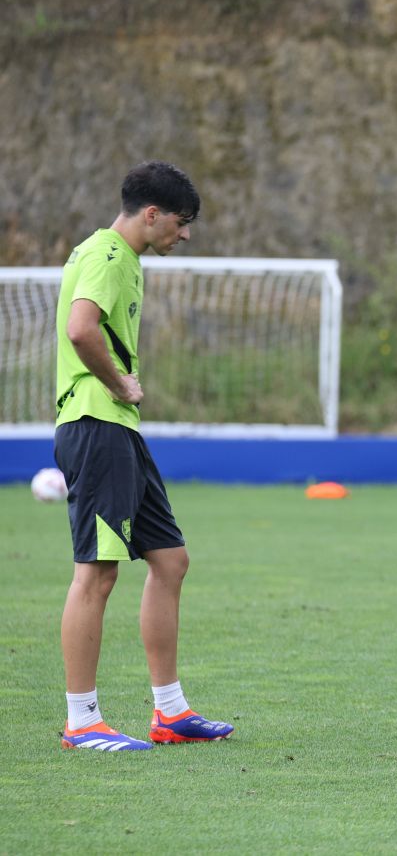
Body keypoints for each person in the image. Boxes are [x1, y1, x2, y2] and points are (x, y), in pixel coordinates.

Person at [54, 161, 234, 751]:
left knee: (171, 561)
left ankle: (171, 713)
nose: (184, 236)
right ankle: (82, 721)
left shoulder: (117, 257)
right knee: (98, 573)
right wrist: (119, 382)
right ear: (151, 214)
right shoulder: (108, 256)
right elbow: (83, 331)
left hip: (119, 432)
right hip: (97, 424)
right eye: (180, 224)